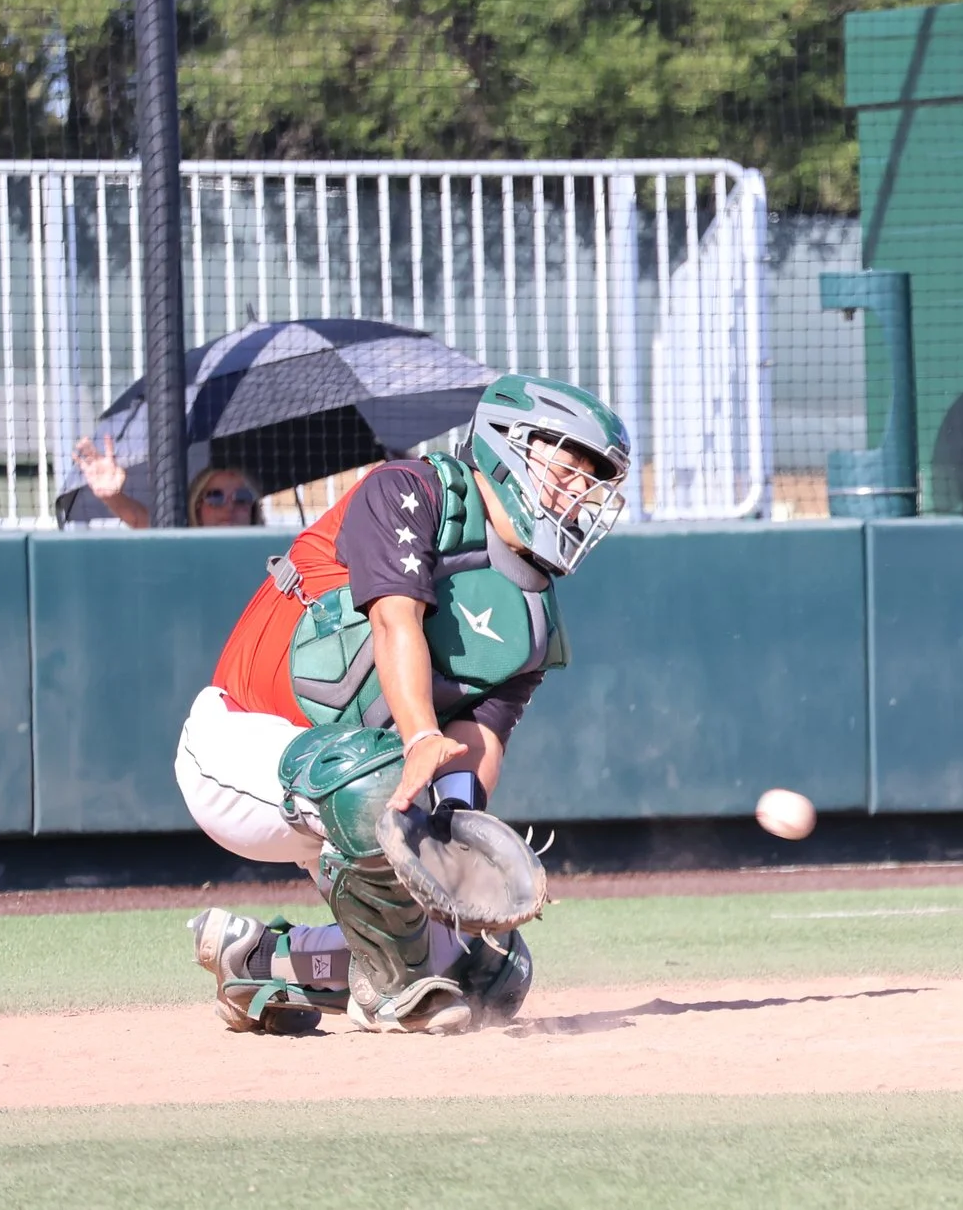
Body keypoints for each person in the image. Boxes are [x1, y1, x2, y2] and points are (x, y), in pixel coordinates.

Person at [175, 373, 629, 1034]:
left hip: (363, 786)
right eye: (568, 465)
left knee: (491, 975)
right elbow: (395, 624)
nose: (577, 491)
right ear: (511, 445)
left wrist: (461, 845)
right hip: (242, 746)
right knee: (371, 778)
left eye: (593, 479)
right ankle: (392, 990)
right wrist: (420, 737)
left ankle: (260, 960)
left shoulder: (533, 615)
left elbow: (478, 746)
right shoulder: (409, 491)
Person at [70, 437, 265, 528]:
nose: (229, 506)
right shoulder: (184, 548)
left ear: (253, 509)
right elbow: (140, 520)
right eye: (215, 497)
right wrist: (113, 497)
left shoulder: (273, 559)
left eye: (242, 497)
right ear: (197, 507)